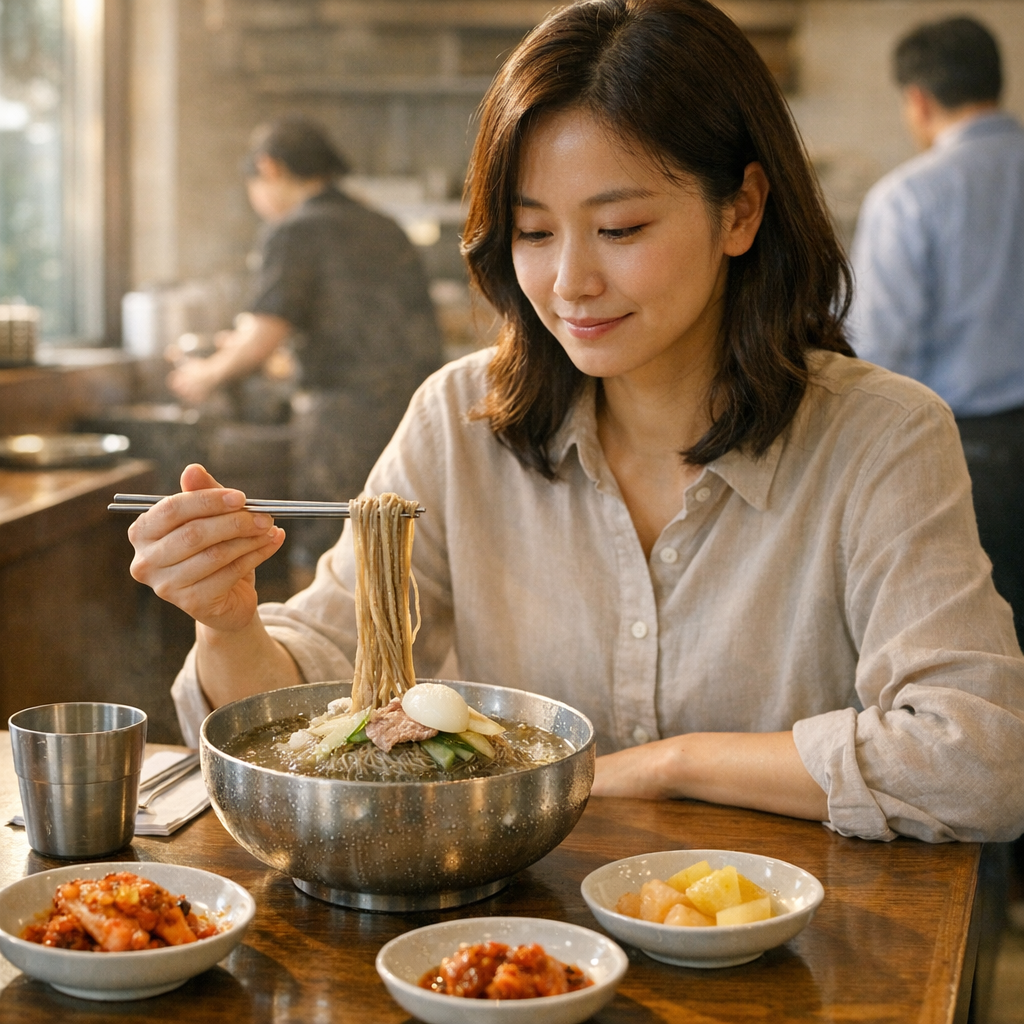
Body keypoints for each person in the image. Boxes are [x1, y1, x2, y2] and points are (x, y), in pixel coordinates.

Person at [129, 0, 1024, 844]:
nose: (570, 284)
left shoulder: (880, 437)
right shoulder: (459, 421)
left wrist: (667, 767)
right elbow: (309, 699)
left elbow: (981, 759)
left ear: (742, 210)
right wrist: (229, 623)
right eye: (533, 233)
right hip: (514, 953)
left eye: (622, 228)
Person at [168, 116, 443, 579]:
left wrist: (204, 374)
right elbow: (365, 326)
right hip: (415, 413)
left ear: (269, 168)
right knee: (394, 546)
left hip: (342, 425)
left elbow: (262, 335)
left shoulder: (294, 229)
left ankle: (318, 650)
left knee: (325, 549)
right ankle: (392, 650)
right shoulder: (383, 225)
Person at [848, 17, 1024, 650]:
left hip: (969, 452)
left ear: (917, 100)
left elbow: (878, 350)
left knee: (979, 657)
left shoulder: (908, 196)